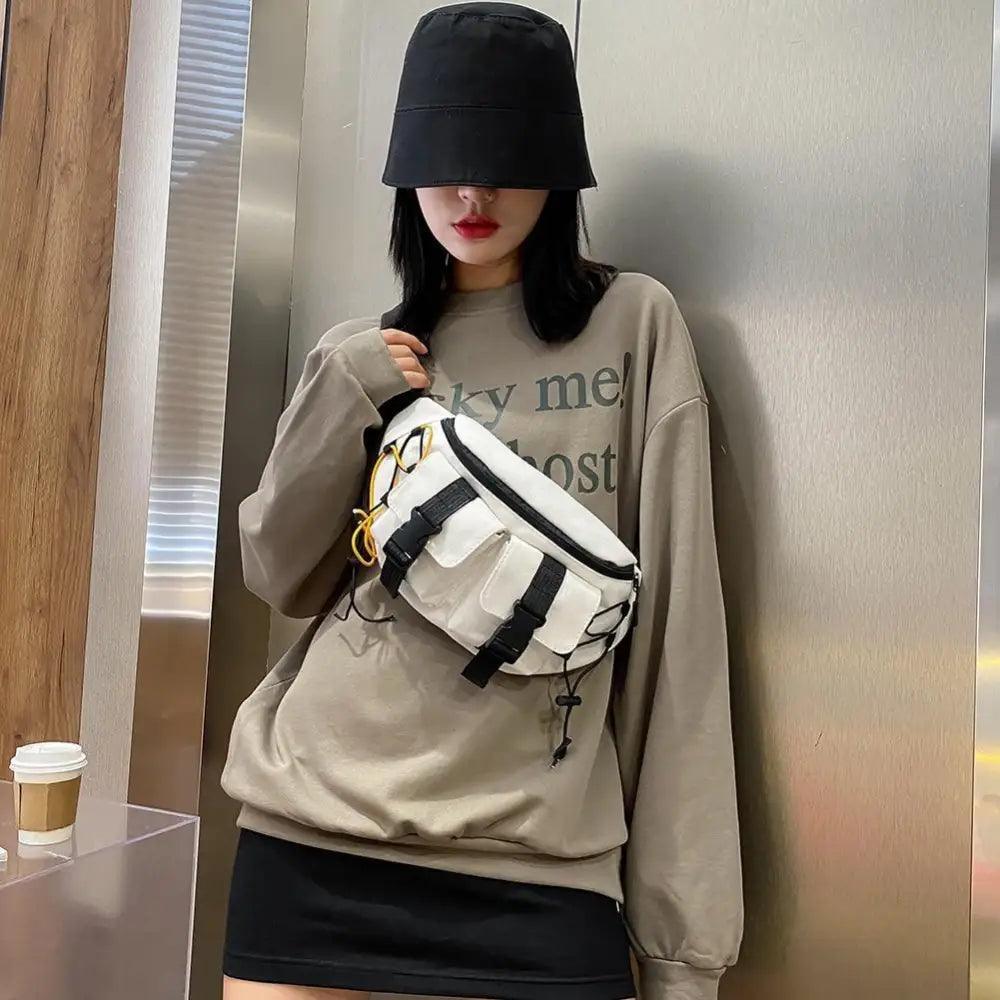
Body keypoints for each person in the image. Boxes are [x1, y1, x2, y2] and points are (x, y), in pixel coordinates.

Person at [221, 4, 743, 999]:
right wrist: (343, 391)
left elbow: (679, 645)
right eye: (445, 161)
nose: (472, 193)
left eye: (504, 159)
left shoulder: (633, 324)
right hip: (312, 840)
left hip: (539, 871)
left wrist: (683, 951)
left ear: (557, 168)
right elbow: (279, 575)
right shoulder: (362, 355)